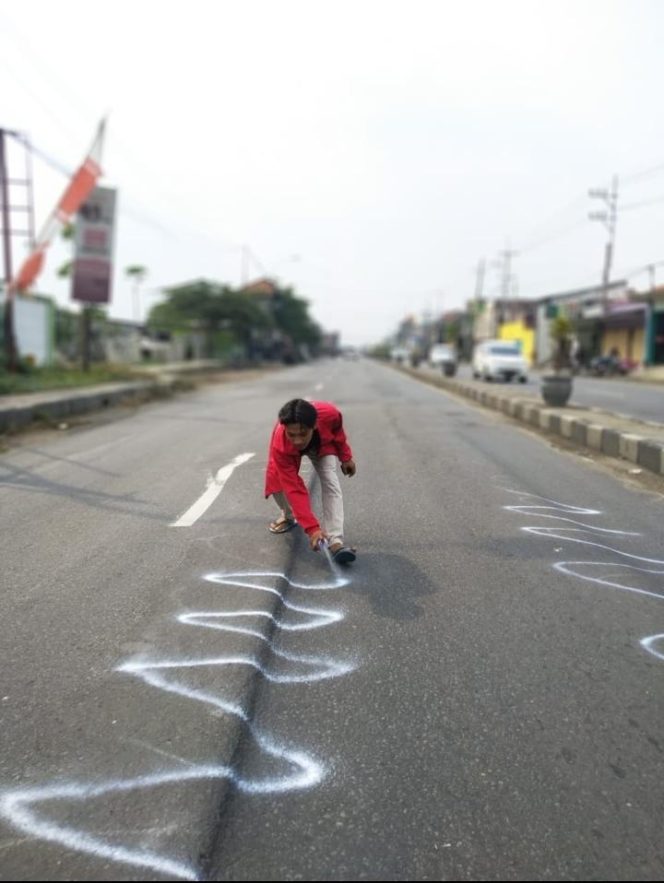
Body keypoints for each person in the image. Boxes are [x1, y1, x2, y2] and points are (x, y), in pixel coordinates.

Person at [264, 398, 357, 564]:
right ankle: (288, 515)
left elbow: (338, 431)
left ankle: (336, 542)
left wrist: (345, 456)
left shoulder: (329, 414)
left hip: (321, 444)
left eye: (303, 433)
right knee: (277, 482)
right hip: (286, 452)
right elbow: (294, 488)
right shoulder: (282, 443)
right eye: (292, 434)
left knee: (330, 481)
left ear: (314, 425)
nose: (298, 441)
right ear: (285, 428)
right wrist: (312, 529)